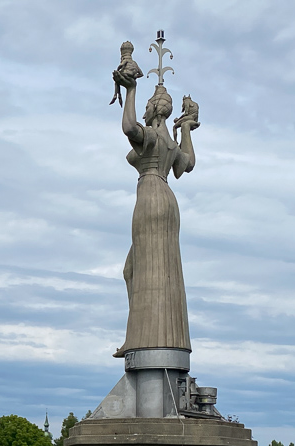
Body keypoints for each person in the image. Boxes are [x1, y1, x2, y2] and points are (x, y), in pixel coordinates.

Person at [110, 51, 199, 359]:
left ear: (150, 110)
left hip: (149, 195)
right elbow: (185, 165)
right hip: (166, 197)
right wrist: (186, 130)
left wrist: (131, 90)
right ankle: (139, 336)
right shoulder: (170, 143)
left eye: (147, 106)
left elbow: (127, 128)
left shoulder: (149, 135)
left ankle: (144, 339)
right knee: (138, 269)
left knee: (145, 269)